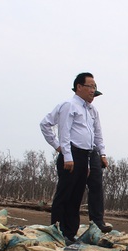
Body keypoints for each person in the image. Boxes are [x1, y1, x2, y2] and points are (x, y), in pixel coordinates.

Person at [40, 89, 111, 234]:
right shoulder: (69, 105)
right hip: (72, 153)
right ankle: (58, 230)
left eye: (94, 90)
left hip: (87, 154)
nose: (93, 93)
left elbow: (97, 133)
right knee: (66, 193)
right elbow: (62, 131)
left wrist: (101, 154)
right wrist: (61, 149)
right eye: (90, 88)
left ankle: (71, 232)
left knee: (77, 196)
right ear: (79, 87)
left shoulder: (92, 111)